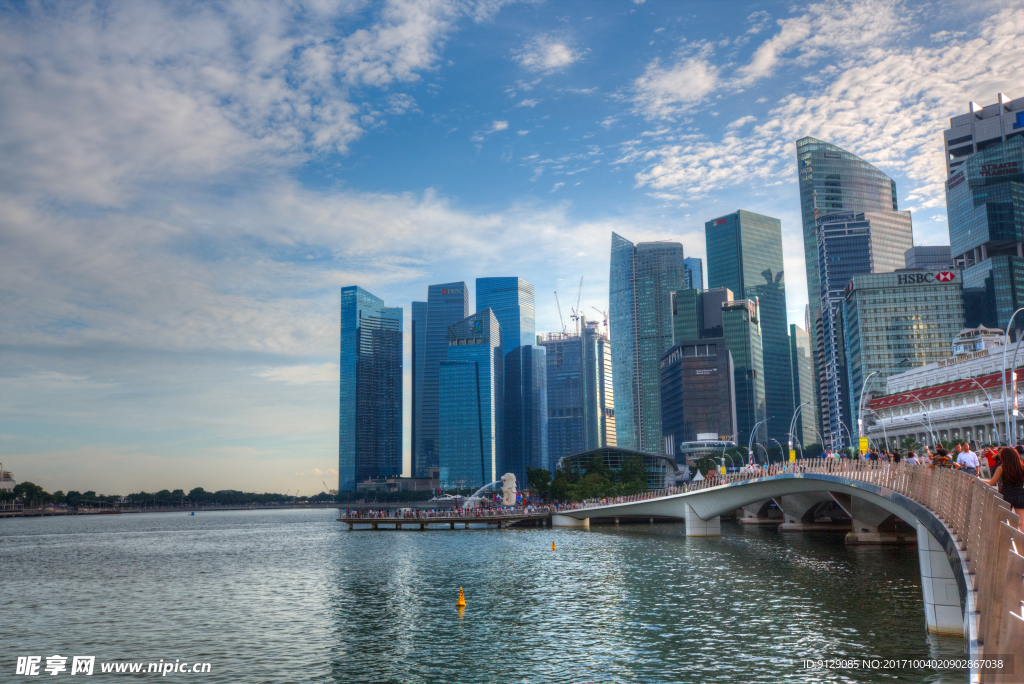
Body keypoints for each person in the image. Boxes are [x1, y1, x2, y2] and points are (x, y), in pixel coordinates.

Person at [987, 446, 1024, 533]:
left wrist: (978, 479)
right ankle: (1022, 543)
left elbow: (992, 482)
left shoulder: (1001, 468)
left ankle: (1004, 543)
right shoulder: (1022, 467)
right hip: (1020, 495)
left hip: (1006, 496)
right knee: (1021, 523)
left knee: (1003, 521)